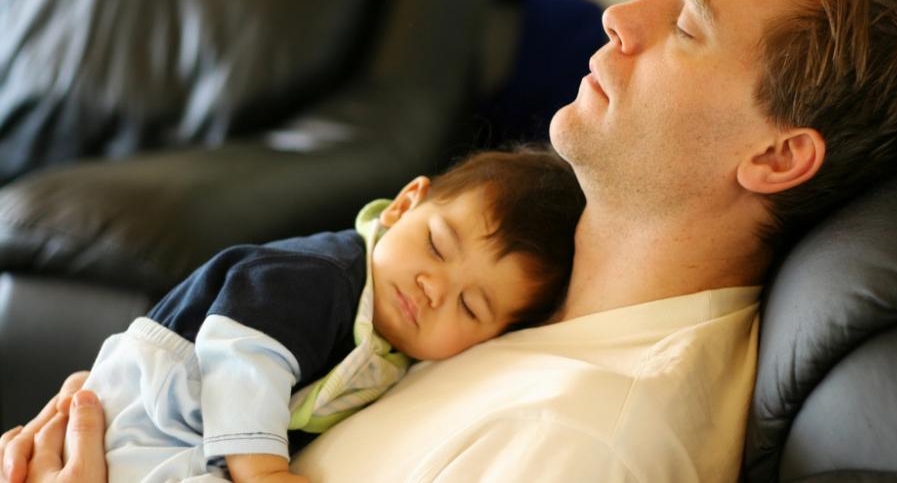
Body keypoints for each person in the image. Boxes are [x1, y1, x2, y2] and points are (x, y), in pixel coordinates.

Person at [4, 0, 897, 481]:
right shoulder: (524, 304)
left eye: (689, 23)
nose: (620, 18)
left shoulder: (585, 444)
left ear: (776, 156)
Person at [3, 147, 585, 483]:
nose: (433, 288)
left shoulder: (395, 347)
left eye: (470, 305)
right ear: (404, 204)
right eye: (436, 244)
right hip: (153, 406)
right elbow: (243, 356)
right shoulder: (322, 274)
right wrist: (263, 471)